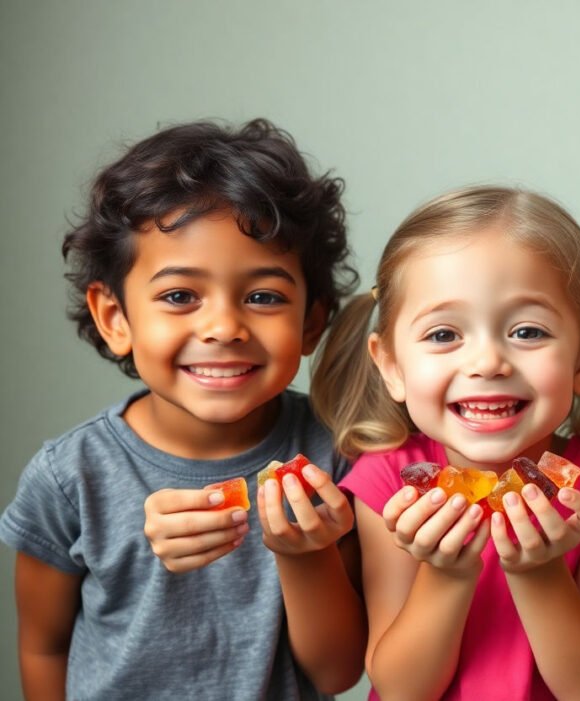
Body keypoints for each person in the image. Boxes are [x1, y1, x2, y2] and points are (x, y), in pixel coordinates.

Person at [0, 119, 366, 700]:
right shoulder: (69, 479)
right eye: (179, 296)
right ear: (115, 317)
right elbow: (43, 645)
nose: (223, 327)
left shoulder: (337, 459)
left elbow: (338, 673)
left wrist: (308, 553)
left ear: (312, 322)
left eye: (264, 296)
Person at [294, 185, 580, 700]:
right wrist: (446, 574)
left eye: (527, 332)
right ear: (391, 366)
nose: (488, 362)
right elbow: (402, 689)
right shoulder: (388, 481)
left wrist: (538, 570)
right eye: (444, 335)